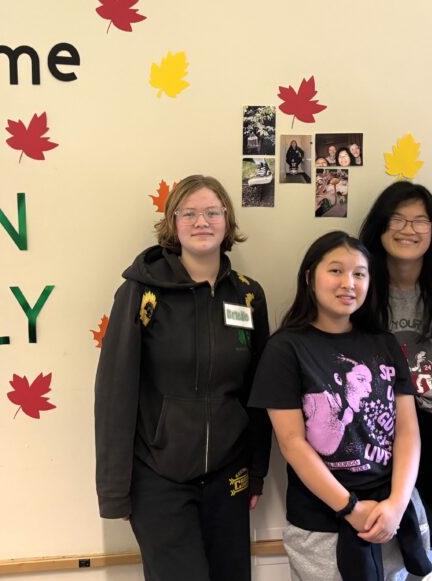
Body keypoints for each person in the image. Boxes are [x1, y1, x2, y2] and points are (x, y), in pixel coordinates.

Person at [95, 175, 271, 581]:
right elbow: (114, 393)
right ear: (172, 223)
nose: (201, 222)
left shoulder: (248, 296)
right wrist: (115, 491)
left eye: (212, 212)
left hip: (229, 477)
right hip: (159, 478)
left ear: (227, 220)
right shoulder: (142, 293)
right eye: (188, 213)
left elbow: (259, 393)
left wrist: (257, 472)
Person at [249, 231, 432, 581]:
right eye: (335, 270)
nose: (348, 283)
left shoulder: (385, 343)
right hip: (323, 523)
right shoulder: (285, 349)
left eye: (359, 274)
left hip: (393, 514)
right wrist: (350, 507)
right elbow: (292, 443)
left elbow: (408, 431)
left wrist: (397, 504)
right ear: (310, 277)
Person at [360, 182, 432, 579]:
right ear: (380, 226)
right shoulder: (361, 288)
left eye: (420, 220)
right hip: (378, 441)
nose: (409, 229)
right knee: (382, 550)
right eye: (398, 219)